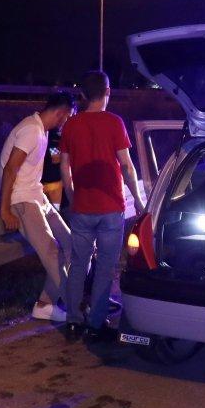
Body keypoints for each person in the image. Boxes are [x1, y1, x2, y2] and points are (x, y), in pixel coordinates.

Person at [59, 71, 144, 340]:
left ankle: (73, 321)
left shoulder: (71, 125)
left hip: (82, 208)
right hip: (110, 209)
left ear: (83, 95)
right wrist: (140, 202)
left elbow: (64, 169)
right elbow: (127, 167)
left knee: (78, 266)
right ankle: (96, 324)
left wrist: (73, 199)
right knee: (106, 269)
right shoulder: (115, 123)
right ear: (107, 92)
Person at [0, 92, 76, 322]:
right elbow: (10, 169)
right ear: (61, 113)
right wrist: (4, 209)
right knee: (52, 251)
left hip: (37, 196)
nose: (67, 122)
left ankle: (45, 304)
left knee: (72, 244)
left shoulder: (41, 130)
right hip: (21, 200)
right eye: (68, 117)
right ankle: (77, 311)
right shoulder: (31, 130)